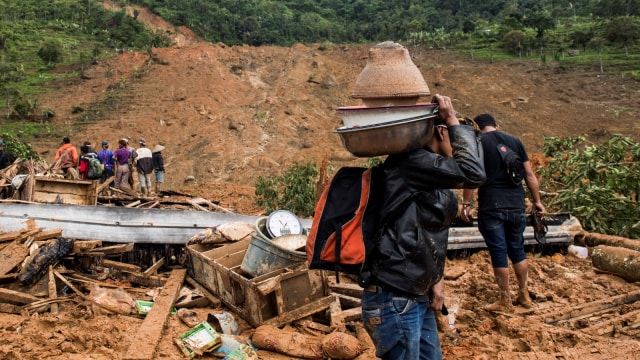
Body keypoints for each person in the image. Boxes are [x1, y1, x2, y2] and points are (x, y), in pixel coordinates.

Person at [361, 94, 486, 360]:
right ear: (441, 132)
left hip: (417, 293)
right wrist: (451, 118)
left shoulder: (430, 171)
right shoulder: (412, 163)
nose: (462, 147)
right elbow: (474, 174)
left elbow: (430, 233)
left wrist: (436, 281)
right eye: (458, 138)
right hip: (395, 295)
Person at [461, 113, 546, 312]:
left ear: (477, 128)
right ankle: (524, 294)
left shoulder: (477, 141)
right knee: (517, 248)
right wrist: (537, 202)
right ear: (496, 126)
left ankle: (505, 300)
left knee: (498, 251)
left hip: (491, 205)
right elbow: (530, 175)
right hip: (516, 204)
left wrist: (466, 203)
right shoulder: (515, 141)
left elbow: (472, 175)